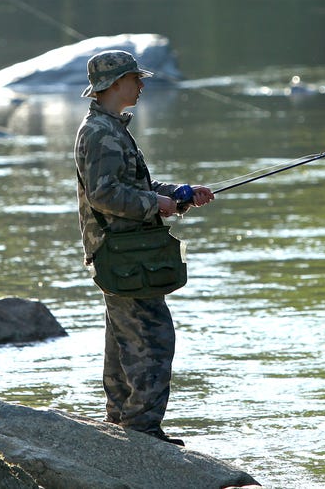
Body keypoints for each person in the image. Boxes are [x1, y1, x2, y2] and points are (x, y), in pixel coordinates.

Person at [73, 49, 214, 447]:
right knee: (153, 338)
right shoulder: (100, 132)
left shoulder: (109, 127)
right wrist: (158, 204)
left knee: (122, 340)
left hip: (122, 254)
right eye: (136, 79)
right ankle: (142, 432)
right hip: (122, 255)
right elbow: (104, 194)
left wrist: (179, 193)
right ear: (115, 84)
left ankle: (121, 422)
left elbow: (131, 187)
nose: (142, 84)